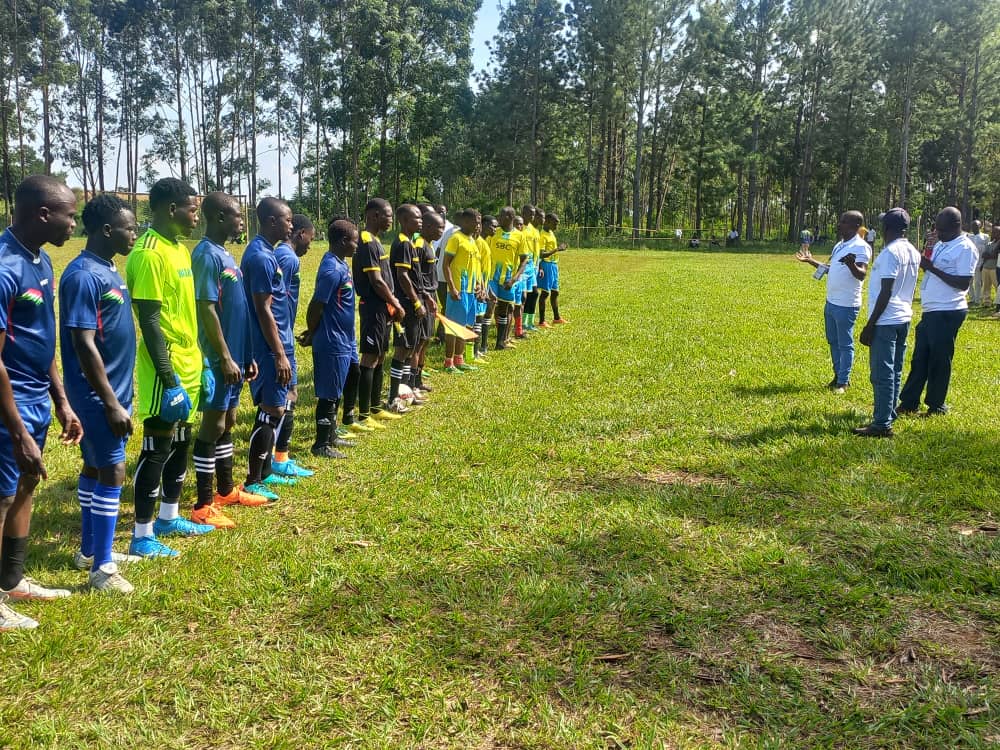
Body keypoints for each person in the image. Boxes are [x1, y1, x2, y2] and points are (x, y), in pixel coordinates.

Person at [0, 176, 83, 630]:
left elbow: (41, 340)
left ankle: (11, 580)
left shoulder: (43, 260)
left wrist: (62, 401)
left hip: (36, 397)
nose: (74, 222)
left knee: (27, 483)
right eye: (70, 214)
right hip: (6, 404)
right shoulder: (4, 266)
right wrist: (16, 431)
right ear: (43, 214)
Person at [126, 177, 215, 559]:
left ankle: (168, 516)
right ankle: (142, 535)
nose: (196, 216)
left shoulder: (179, 249)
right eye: (193, 209)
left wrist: (205, 360)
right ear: (171, 209)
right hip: (168, 372)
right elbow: (149, 323)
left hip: (191, 363)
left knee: (182, 441)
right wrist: (169, 378)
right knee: (158, 446)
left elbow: (186, 314)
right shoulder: (148, 254)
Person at [59, 194, 141, 593]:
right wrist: (110, 402)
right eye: (129, 228)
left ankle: (91, 550)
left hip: (113, 391)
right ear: (107, 230)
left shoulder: (108, 269)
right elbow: (83, 343)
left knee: (94, 467)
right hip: (95, 395)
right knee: (112, 470)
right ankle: (103, 570)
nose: (134, 234)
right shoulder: (83, 275)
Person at [190, 192, 270, 531]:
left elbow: (239, 310)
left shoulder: (227, 254)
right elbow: (206, 308)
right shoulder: (206, 255)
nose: (242, 220)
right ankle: (203, 504)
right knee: (212, 426)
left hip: (237, 358)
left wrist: (247, 355)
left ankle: (225, 491)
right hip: (218, 358)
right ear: (220, 217)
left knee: (229, 422)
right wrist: (223, 356)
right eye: (237, 215)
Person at [241, 197, 298, 497]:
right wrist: (278, 354)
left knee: (285, 401)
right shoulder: (261, 257)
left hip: (282, 342)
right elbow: (263, 310)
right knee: (271, 408)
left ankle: (268, 471)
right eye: (287, 219)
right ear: (271, 221)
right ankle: (253, 479)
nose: (291, 224)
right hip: (268, 346)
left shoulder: (268, 253)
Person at [897, 207, 978, 416]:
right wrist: (926, 264)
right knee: (920, 358)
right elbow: (938, 270)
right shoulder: (943, 242)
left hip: (948, 310)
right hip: (932, 310)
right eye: (936, 228)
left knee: (939, 359)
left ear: (956, 225)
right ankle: (909, 402)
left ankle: (936, 405)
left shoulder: (965, 248)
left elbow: (962, 283)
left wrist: (931, 268)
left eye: (942, 230)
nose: (938, 233)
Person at [853, 209, 921, 438]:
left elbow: (886, 291)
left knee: (882, 373)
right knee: (896, 369)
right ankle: (888, 413)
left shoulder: (891, 253)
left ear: (886, 228)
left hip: (886, 319)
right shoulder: (912, 250)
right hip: (903, 317)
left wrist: (870, 324)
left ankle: (882, 424)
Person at [299, 218, 361, 459]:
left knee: (348, 378)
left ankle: (333, 433)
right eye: (355, 241)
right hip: (332, 340)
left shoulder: (341, 264)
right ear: (344, 241)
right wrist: (312, 332)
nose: (357, 245)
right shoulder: (331, 270)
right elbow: (317, 305)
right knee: (329, 393)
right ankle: (321, 443)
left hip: (346, 339)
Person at [795, 211, 870, 393]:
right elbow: (831, 268)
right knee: (833, 341)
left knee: (845, 343)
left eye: (843, 222)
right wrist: (810, 260)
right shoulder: (840, 245)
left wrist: (852, 265)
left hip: (846, 304)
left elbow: (862, 274)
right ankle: (838, 375)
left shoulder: (861, 247)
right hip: (831, 302)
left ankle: (843, 382)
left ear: (854, 225)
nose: (839, 224)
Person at [270, 213, 316, 478]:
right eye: (311, 236)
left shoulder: (286, 257)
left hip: (284, 334)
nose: (312, 242)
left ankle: (281, 456)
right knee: (285, 397)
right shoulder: (287, 258)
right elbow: (274, 301)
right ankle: (277, 459)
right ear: (300, 234)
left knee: (290, 395)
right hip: (280, 339)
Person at [353, 198, 404, 427]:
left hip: (383, 307)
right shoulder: (366, 242)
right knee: (370, 356)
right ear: (374, 215)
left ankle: (375, 407)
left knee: (381, 354)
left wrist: (390, 305)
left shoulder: (376, 240)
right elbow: (376, 281)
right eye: (388, 215)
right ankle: (364, 414)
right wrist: (396, 302)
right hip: (373, 306)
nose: (391, 220)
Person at [387, 204, 426, 410]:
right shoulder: (402, 244)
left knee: (410, 347)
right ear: (403, 221)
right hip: (406, 303)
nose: (420, 221)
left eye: (421, 218)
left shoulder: (410, 243)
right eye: (416, 218)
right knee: (402, 350)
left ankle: (405, 392)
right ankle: (393, 397)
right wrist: (416, 301)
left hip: (413, 302)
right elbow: (402, 276)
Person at [442, 209, 481, 373]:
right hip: (458, 290)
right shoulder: (455, 238)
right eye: (476, 221)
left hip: (471, 291)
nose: (478, 224)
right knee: (453, 326)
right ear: (465, 222)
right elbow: (446, 264)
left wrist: (479, 285)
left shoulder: (472, 240)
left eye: (479, 221)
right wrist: (452, 287)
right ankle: (448, 362)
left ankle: (459, 359)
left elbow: (476, 266)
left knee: (465, 326)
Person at [412, 209, 443, 393]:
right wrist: (426, 297)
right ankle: (411, 383)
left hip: (431, 296)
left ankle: (418, 379)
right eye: (439, 227)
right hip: (423, 298)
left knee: (426, 340)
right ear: (428, 226)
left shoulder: (429, 245)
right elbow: (416, 277)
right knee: (418, 343)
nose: (441, 231)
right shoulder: (419, 245)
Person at [488, 207, 528, 350]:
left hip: (508, 279)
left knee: (504, 309)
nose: (498, 218)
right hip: (491, 277)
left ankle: (500, 342)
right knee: (489, 307)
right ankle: (482, 345)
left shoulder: (519, 236)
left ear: (510, 217)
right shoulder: (493, 233)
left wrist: (514, 279)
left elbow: (524, 260)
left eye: (502, 215)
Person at [538, 212, 568, 327]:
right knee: (545, 293)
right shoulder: (542, 235)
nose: (556, 226)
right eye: (555, 224)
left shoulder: (550, 233)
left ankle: (556, 318)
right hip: (546, 265)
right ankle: (542, 321)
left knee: (555, 292)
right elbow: (541, 254)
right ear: (548, 221)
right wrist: (557, 249)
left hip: (554, 265)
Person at [521, 205, 543, 332]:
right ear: (523, 213)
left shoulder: (534, 230)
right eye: (530, 214)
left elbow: (537, 250)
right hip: (523, 266)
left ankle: (529, 322)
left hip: (533, 266)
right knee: (525, 296)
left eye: (534, 214)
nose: (532, 216)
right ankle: (522, 323)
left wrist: (538, 266)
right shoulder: (519, 228)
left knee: (534, 294)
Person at [967, 220, 988, 304]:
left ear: (980, 226)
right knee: (969, 282)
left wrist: (984, 262)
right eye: (973, 226)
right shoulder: (968, 237)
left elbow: (986, 250)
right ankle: (972, 298)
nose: (974, 228)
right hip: (969, 263)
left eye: (976, 226)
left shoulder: (985, 237)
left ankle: (978, 299)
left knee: (978, 282)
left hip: (980, 263)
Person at [981, 225, 999, 308]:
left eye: (996, 232)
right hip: (986, 267)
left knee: (997, 286)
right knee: (986, 286)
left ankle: (998, 303)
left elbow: (995, 255)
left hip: (994, 268)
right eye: (993, 232)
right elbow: (984, 254)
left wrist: (989, 255)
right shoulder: (990, 243)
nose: (993, 233)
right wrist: (988, 255)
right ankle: (986, 302)